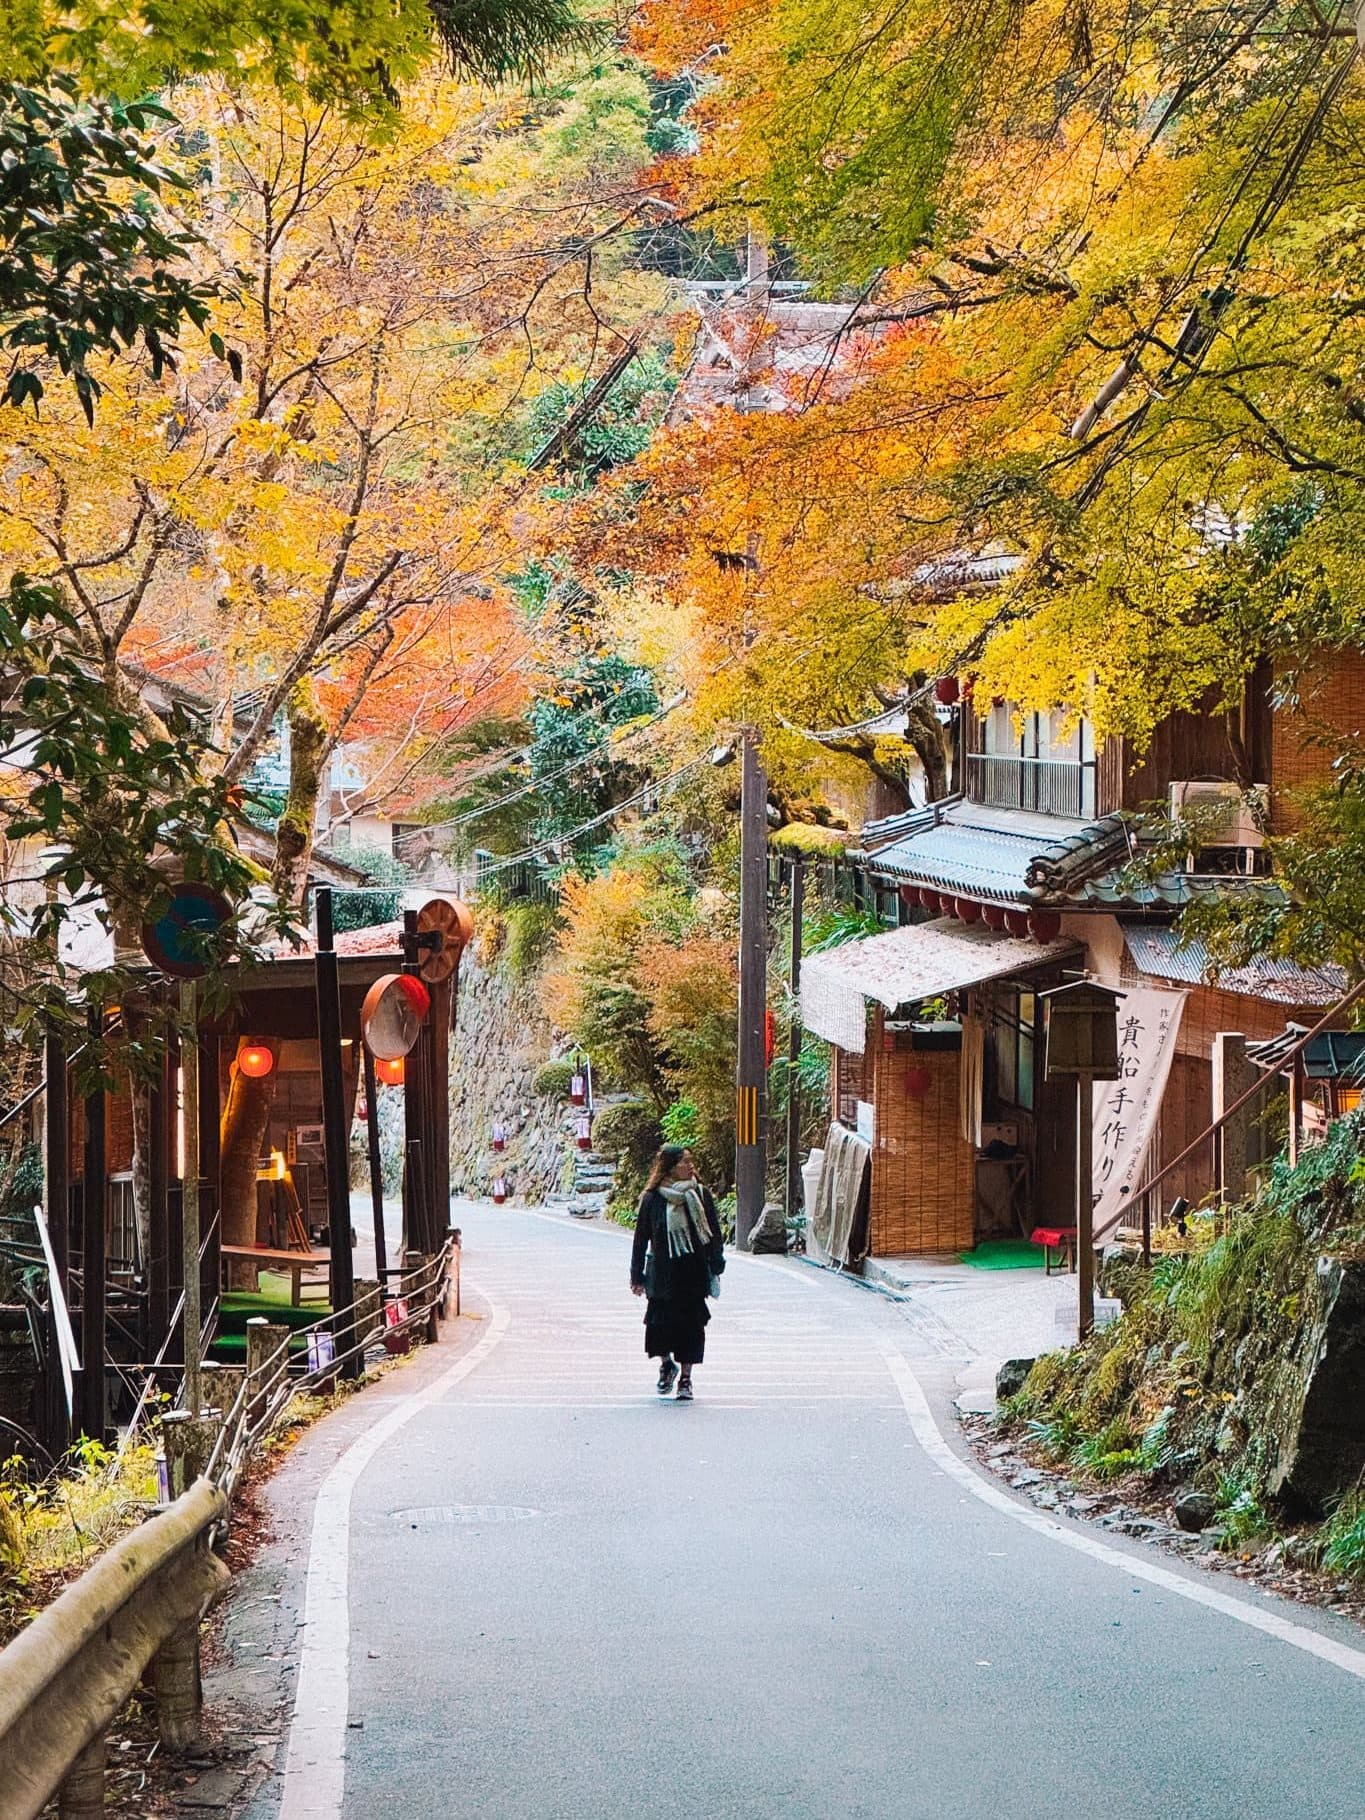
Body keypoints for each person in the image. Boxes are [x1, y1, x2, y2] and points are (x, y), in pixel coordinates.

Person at [630, 1145, 725, 1401]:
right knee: (658, 1327)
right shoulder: (652, 1199)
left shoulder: (700, 1195)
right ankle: (666, 1364)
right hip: (662, 1275)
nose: (690, 1166)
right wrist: (636, 1276)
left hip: (692, 1273)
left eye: (691, 1161)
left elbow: (714, 1234)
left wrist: (717, 1262)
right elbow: (641, 1239)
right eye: (685, 1162)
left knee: (691, 1327)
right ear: (670, 1168)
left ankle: (686, 1378)